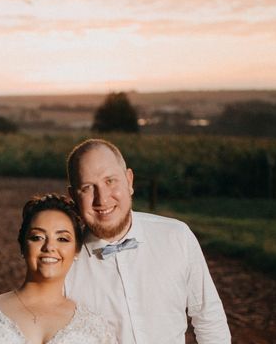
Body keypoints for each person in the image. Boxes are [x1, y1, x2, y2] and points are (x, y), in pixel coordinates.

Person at [64, 139, 231, 344]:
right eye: (88, 187)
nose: (102, 199)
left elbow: (209, 319)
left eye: (110, 181)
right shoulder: (64, 263)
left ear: (129, 181)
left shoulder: (177, 236)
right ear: (73, 196)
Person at [0, 194, 117, 344]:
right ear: (23, 246)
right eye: (37, 237)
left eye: (62, 239)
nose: (49, 247)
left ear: (76, 250)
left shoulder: (95, 328)